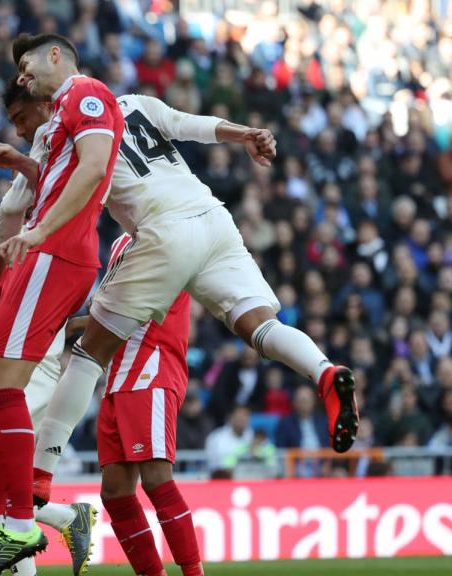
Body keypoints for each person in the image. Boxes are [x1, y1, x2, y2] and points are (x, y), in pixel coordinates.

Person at [27, 92, 360, 509]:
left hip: (162, 231)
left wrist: (31, 192)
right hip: (212, 217)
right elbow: (191, 125)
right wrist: (245, 134)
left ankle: (40, 473)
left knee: (87, 356)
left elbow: (71, 191)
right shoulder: (133, 103)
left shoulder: (66, 131)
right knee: (259, 325)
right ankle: (324, 371)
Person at [0, 32, 124, 574]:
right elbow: (64, 177)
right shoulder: (61, 112)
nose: (22, 74)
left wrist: (38, 232)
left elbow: (95, 169)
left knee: (4, 385)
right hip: (46, 251)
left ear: (56, 55)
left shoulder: (86, 93)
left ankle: (19, 526)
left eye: (27, 63)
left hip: (55, 253)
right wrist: (21, 163)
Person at [0, 78, 96, 576]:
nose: (19, 129)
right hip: (20, 323)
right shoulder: (40, 164)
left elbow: (79, 186)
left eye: (21, 118)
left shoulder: (68, 144)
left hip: (35, 357)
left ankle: (39, 524)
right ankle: (27, 525)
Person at [90, 235, 203, 576]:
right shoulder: (121, 242)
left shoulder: (165, 236)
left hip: (150, 369)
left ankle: (193, 572)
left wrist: (79, 320)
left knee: (156, 479)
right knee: (114, 492)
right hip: (117, 376)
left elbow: (130, 306)